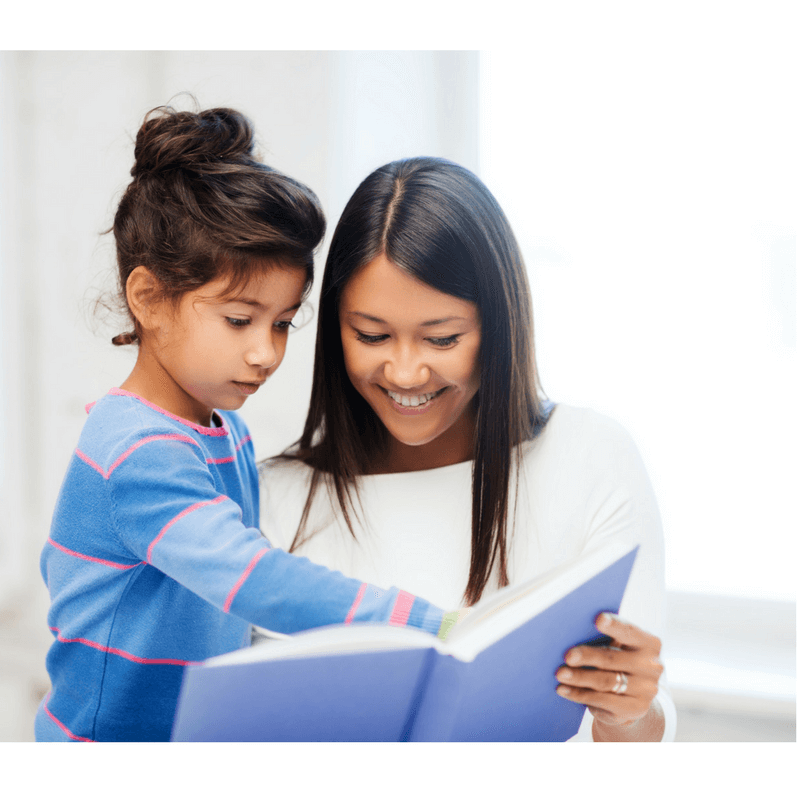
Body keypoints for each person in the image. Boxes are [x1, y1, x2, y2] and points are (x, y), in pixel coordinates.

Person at [35, 110, 459, 742]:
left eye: (283, 322)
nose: (266, 352)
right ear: (149, 299)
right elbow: (253, 580)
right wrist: (430, 626)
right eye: (240, 320)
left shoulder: (220, 430)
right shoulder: (136, 450)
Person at [258, 156, 677, 742]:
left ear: (499, 327)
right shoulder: (273, 498)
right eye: (371, 335)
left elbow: (625, 743)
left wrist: (631, 712)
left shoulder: (589, 458)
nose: (405, 372)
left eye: (442, 338)